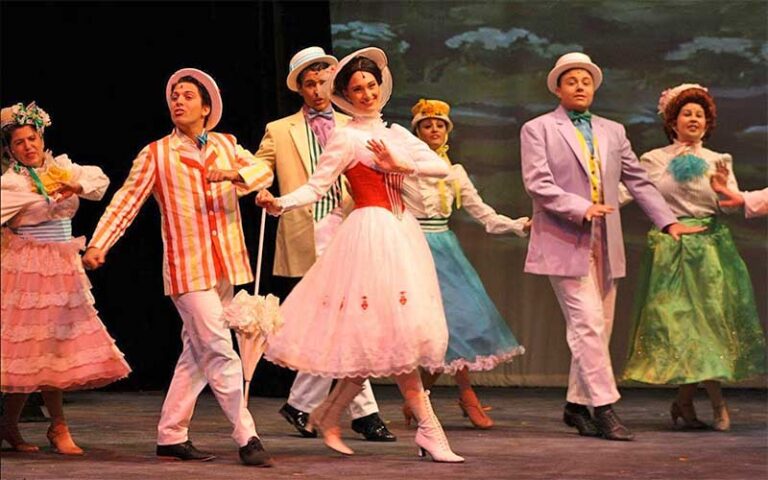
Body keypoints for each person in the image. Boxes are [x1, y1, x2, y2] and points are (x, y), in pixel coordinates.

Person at [258, 47, 463, 463]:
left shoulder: (397, 133)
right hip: (369, 235)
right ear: (347, 96)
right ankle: (429, 430)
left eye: (370, 86)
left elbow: (442, 168)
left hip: (402, 235)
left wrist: (397, 162)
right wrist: (280, 203)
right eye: (357, 89)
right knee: (393, 336)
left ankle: (330, 413)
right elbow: (318, 185)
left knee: (381, 337)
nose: (366, 93)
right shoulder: (346, 136)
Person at [81, 69, 274, 466]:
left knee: (197, 352)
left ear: (206, 107)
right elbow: (125, 201)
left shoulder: (226, 144)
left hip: (224, 265)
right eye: (174, 96)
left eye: (188, 96)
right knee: (220, 349)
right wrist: (100, 242)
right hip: (187, 269)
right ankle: (247, 436)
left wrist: (234, 174)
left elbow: (263, 171)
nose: (178, 101)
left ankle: (170, 434)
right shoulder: (156, 154)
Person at [519, 52, 704, 441]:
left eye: (586, 81)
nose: (580, 86)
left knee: (597, 329)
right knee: (586, 324)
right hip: (563, 239)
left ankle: (574, 406)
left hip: (606, 242)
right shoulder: (538, 129)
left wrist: (667, 220)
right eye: (572, 81)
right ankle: (603, 408)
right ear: (558, 87)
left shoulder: (612, 131)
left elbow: (637, 180)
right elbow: (538, 183)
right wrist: (581, 207)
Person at [252, 46, 394, 442]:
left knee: (345, 321)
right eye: (310, 84)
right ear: (300, 88)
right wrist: (251, 182)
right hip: (306, 230)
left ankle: (303, 403)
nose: (318, 90)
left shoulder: (358, 124)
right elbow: (259, 166)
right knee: (337, 321)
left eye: (324, 82)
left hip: (352, 227)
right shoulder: (281, 130)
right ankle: (360, 412)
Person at [622, 84, 766, 431]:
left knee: (707, 326)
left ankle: (686, 401)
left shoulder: (719, 161)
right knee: (683, 325)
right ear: (673, 121)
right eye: (687, 113)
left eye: (699, 115)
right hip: (672, 249)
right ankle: (713, 403)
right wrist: (590, 205)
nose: (693, 119)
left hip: (711, 251)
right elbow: (630, 191)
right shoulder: (654, 160)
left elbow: (730, 206)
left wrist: (722, 192)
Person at [1, 102, 131, 454]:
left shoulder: (62, 167)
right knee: (36, 349)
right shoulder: (12, 181)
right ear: (10, 150)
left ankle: (10, 423)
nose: (28, 146)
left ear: (41, 138)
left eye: (32, 139)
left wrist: (72, 185)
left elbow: (99, 182)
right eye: (19, 143)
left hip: (64, 267)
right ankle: (57, 427)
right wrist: (29, 197)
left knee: (47, 349)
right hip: (29, 269)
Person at [400, 98, 528, 429]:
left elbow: (482, 212)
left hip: (444, 249)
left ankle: (452, 395)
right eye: (427, 125)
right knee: (430, 329)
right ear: (417, 132)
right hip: (414, 248)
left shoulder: (454, 173)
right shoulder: (404, 170)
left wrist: (515, 225)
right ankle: (433, 397)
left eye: (440, 125)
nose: (434, 130)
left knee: (459, 321)